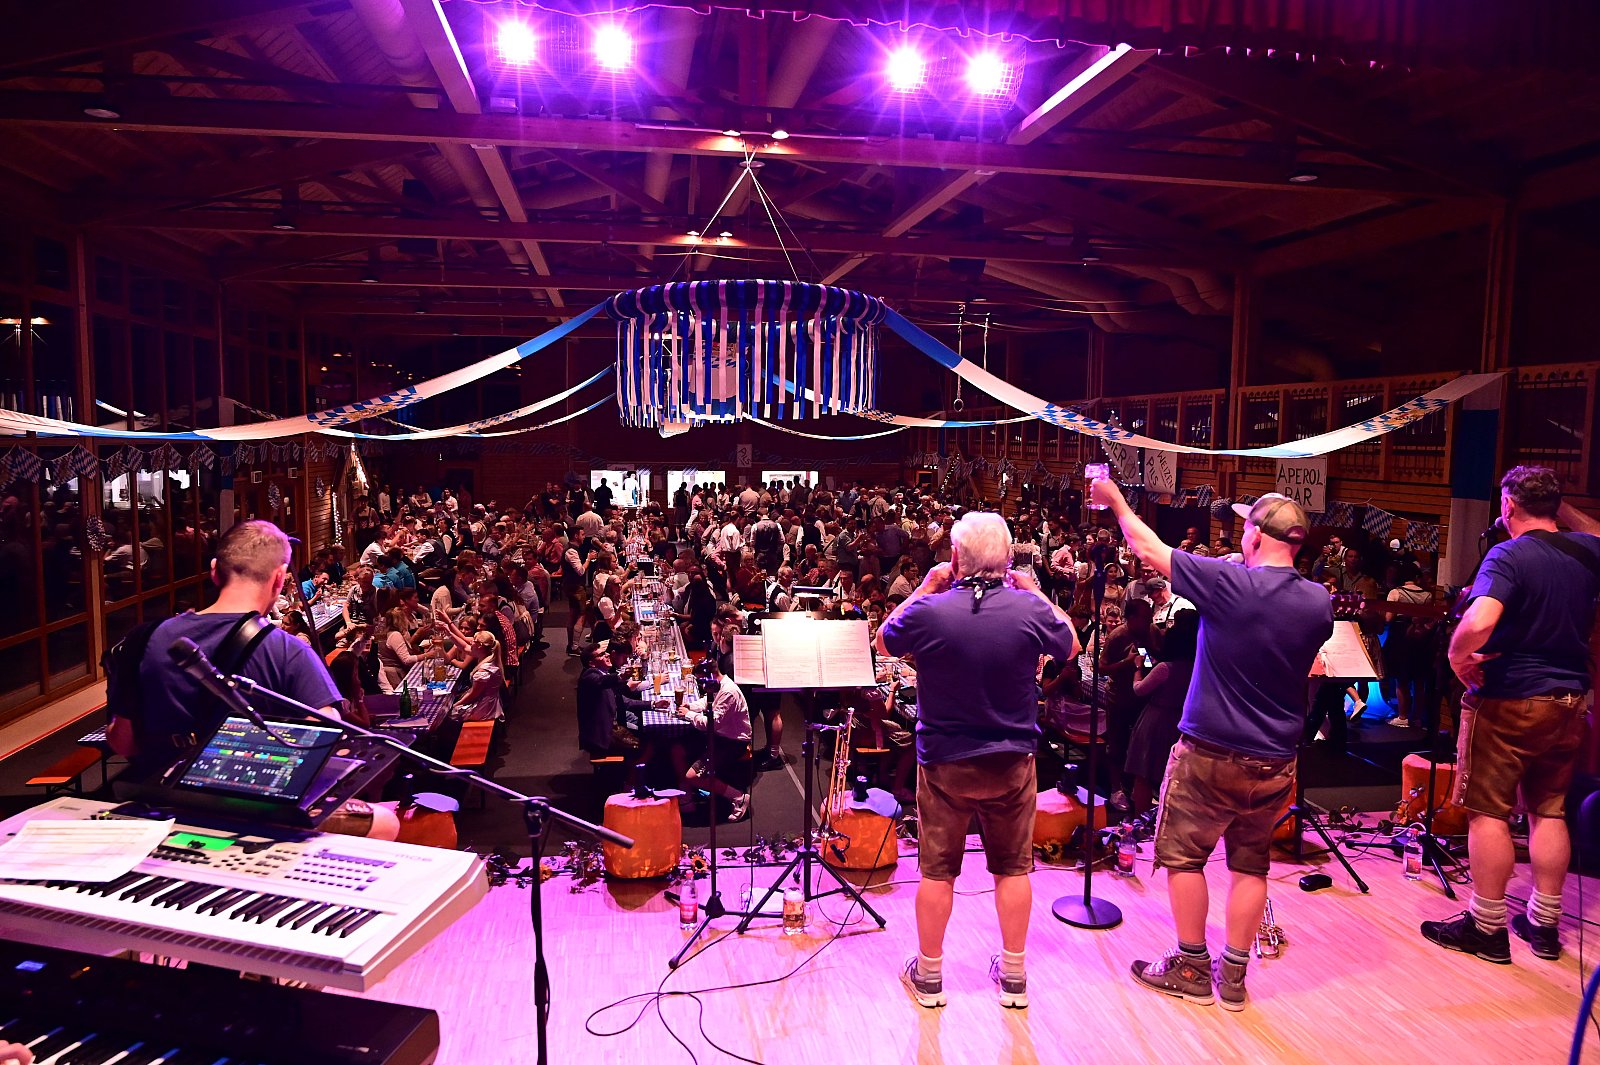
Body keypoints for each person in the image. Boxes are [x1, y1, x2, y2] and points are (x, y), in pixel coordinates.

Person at [1093, 480, 1331, 1013]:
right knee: (1251, 865)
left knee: (1184, 858)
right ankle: (1235, 976)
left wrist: (1116, 500)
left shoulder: (1227, 584)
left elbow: (1146, 547)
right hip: (1276, 759)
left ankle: (1192, 966)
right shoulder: (1318, 602)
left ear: (1255, 536)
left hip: (1209, 752)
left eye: (1245, 527)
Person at [877, 510, 1079, 1010]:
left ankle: (929, 978)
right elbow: (1071, 645)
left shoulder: (932, 610)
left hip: (944, 762)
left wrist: (927, 585)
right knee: (1012, 869)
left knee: (937, 872)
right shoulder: (1028, 609)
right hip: (1011, 762)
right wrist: (1034, 592)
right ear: (1008, 561)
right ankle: (1014, 977)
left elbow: (884, 639)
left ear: (954, 558)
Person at [1421, 466, 1599, 965]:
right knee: (1549, 810)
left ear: (1507, 506)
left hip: (1511, 700)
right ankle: (1544, 925)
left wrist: (1457, 657)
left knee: (1488, 812)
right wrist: (1559, 505)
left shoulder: (1509, 554)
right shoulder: (1588, 551)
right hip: (1571, 701)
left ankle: (1487, 927)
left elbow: (1481, 620)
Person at [106, 520, 343, 777]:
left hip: (159, 795)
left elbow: (123, 743)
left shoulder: (142, 639)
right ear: (278, 578)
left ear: (214, 571)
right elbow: (323, 738)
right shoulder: (290, 651)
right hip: (247, 795)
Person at [1125, 609, 1198, 813]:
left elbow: (1139, 689)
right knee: (1172, 775)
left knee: (1143, 773)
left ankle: (1140, 818)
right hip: (1181, 721)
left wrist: (1138, 668)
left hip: (1156, 720)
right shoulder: (1197, 667)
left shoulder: (1165, 668)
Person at [676, 656, 753, 821]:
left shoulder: (728, 692)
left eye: (701, 681)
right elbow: (707, 701)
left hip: (733, 741)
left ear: (710, 677)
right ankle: (687, 796)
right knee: (678, 748)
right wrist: (691, 707)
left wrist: (688, 714)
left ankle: (739, 797)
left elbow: (712, 724)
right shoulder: (719, 684)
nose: (701, 685)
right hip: (720, 736)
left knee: (692, 776)